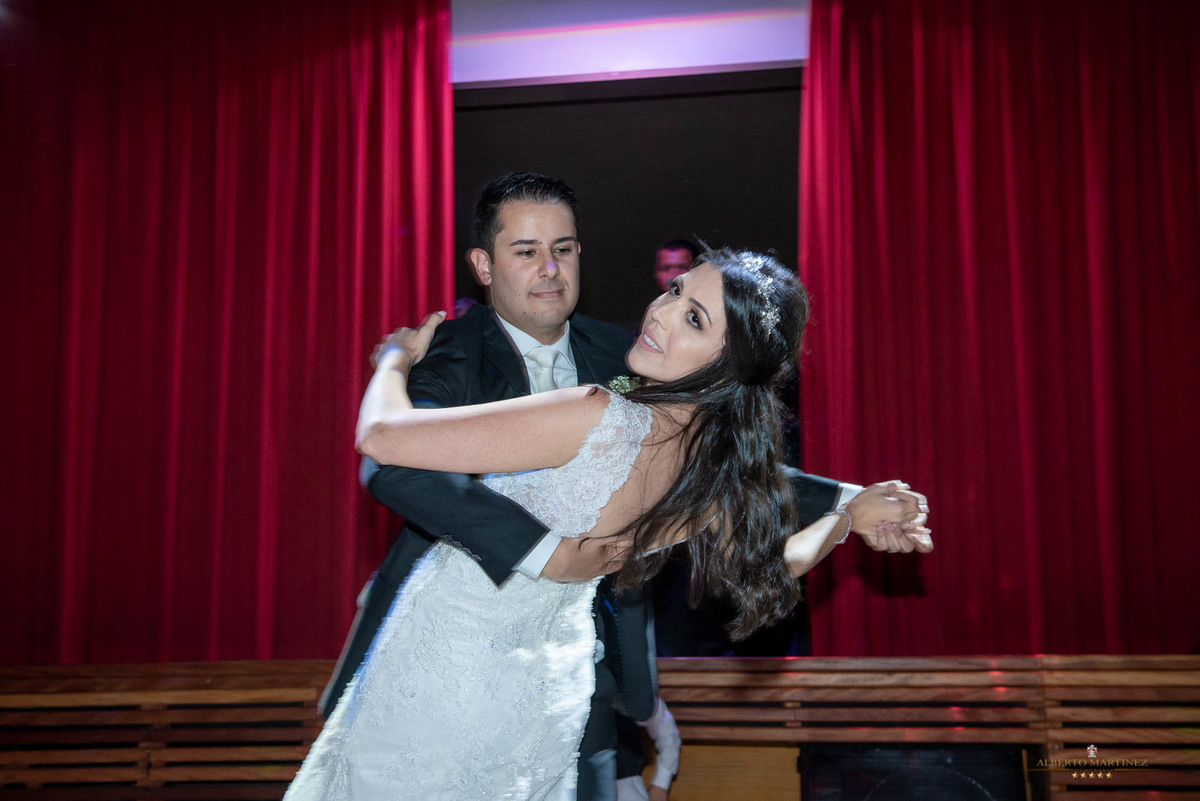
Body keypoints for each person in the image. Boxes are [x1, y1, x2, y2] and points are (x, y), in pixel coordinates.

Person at [317, 173, 929, 799]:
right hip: (527, 678)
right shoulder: (699, 462)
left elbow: (382, 438)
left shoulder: (603, 399)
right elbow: (778, 557)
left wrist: (394, 358)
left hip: (474, 669)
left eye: (693, 317)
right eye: (674, 291)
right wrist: (848, 515)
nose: (659, 312)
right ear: (484, 264)